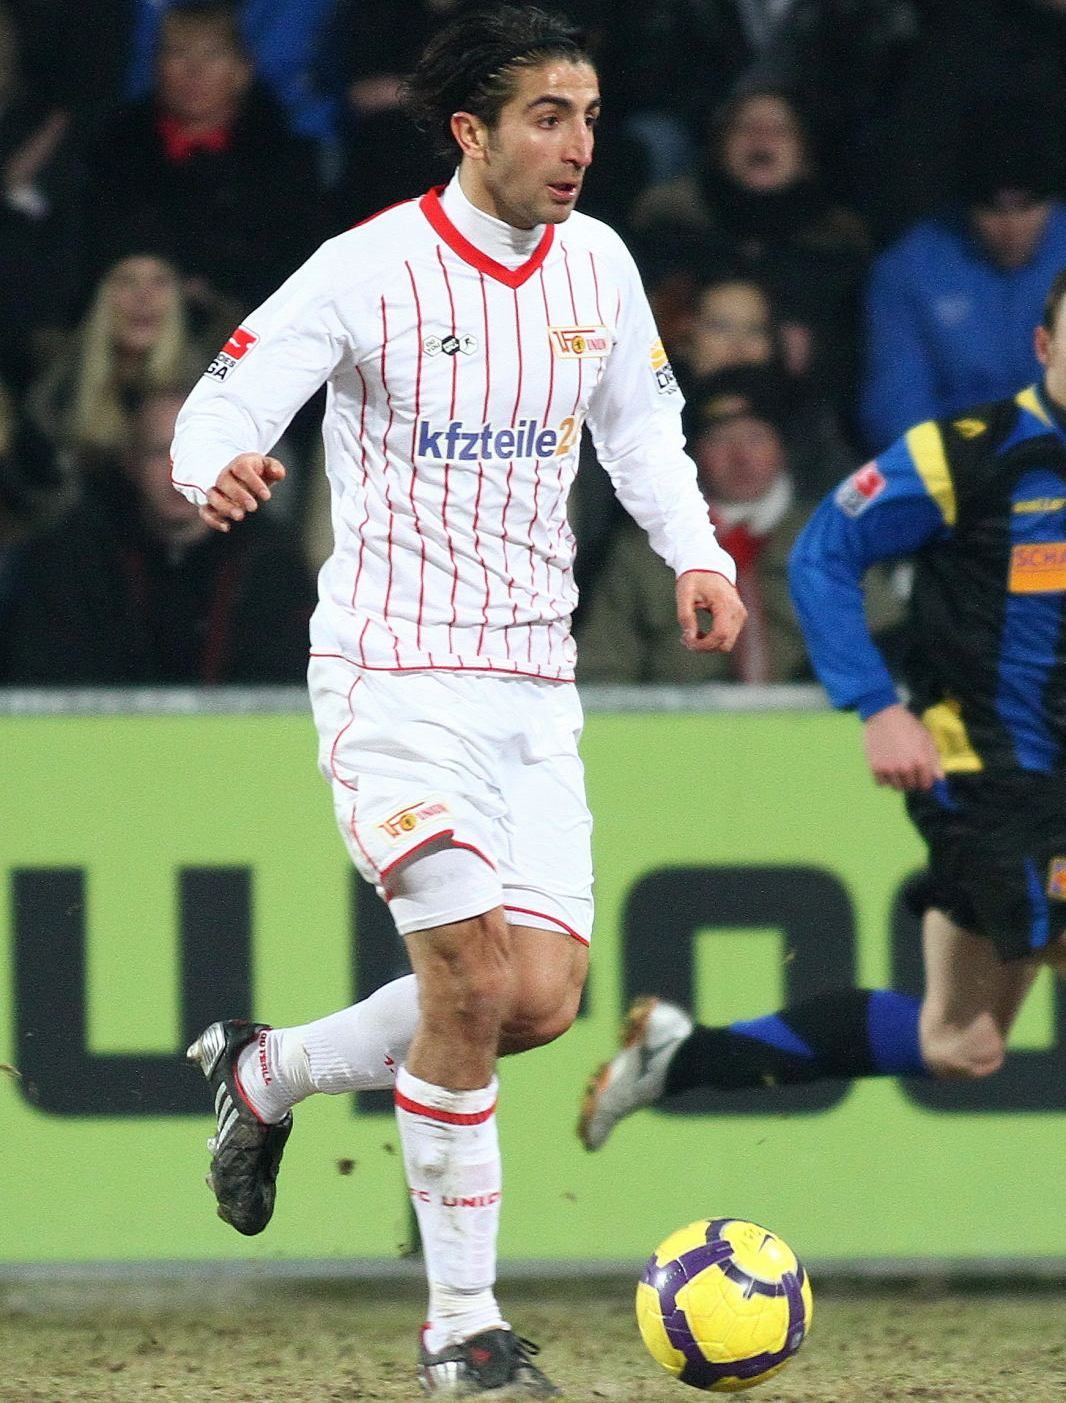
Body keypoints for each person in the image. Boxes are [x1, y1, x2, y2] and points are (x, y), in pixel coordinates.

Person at [171, 6, 745, 1396]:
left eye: (592, 115)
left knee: (535, 1000)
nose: (578, 145)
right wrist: (220, 468)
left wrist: (698, 552)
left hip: (532, 690)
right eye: (548, 115)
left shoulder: (598, 265)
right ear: (470, 130)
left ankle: (271, 1070)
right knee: (469, 977)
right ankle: (462, 1329)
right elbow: (221, 403)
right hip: (394, 681)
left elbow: (640, 435)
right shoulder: (367, 270)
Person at [577, 268, 1066, 1161]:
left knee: (960, 1043)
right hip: (989, 770)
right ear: (1042, 347)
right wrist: (877, 704)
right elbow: (826, 552)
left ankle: (681, 1059)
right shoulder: (969, 453)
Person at [5, 383, 315, 685]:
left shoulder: (272, 563)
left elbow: (285, 687)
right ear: (130, 463)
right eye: (158, 453)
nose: (177, 473)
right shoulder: (75, 558)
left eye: (194, 453)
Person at [576, 364, 815, 685]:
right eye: (721, 441)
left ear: (783, 449)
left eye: (756, 439)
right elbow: (600, 671)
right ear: (694, 453)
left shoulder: (830, 538)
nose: (741, 456)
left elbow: (884, 646)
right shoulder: (642, 551)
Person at [860, 101, 1066, 454]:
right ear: (968, 204)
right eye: (994, 209)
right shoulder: (910, 267)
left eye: (1027, 207)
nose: (1011, 227)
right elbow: (897, 405)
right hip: (958, 476)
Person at [27, 252, 210, 478]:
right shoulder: (57, 394)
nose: (144, 296)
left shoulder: (208, 388)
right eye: (126, 281)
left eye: (160, 282)